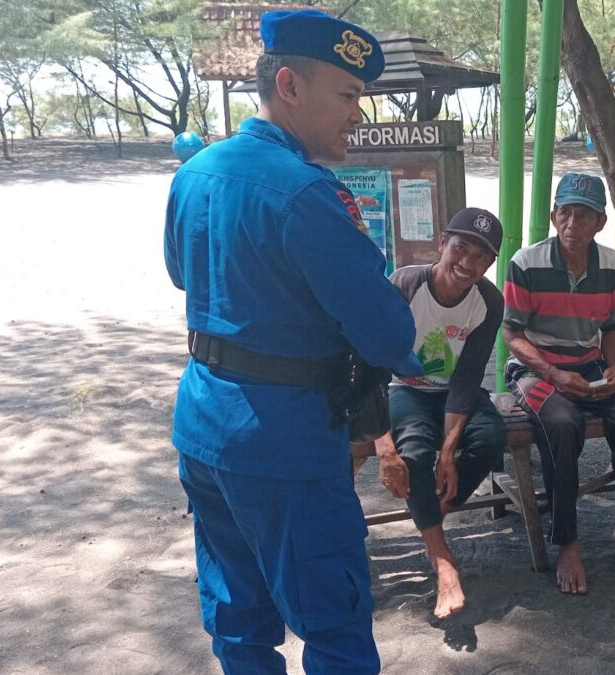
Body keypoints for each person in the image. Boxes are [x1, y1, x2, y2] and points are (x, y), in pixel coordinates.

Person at [163, 9, 421, 674]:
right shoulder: (308, 193)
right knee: (334, 625)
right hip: (287, 443)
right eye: (348, 95)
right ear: (290, 85)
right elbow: (387, 332)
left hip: (204, 426)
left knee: (238, 620)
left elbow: (182, 273)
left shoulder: (195, 172)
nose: (357, 115)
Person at [501, 172, 615, 595]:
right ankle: (567, 541)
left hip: (590, 366)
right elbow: (512, 335)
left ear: (600, 222)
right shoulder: (526, 262)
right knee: (561, 424)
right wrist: (553, 374)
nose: (573, 224)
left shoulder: (611, 264)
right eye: (566, 213)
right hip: (535, 369)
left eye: (584, 215)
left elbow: (613, 328)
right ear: (554, 216)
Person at [373, 208, 507, 620]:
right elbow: (371, 365)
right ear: (442, 243)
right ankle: (442, 557)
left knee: (490, 439)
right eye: (460, 248)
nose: (467, 263)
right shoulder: (405, 285)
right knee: (414, 452)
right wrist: (382, 445)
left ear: (491, 263)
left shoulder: (489, 301)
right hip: (405, 388)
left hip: (455, 393)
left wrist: (448, 454)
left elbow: (467, 379)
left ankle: (429, 518)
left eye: (481, 256)